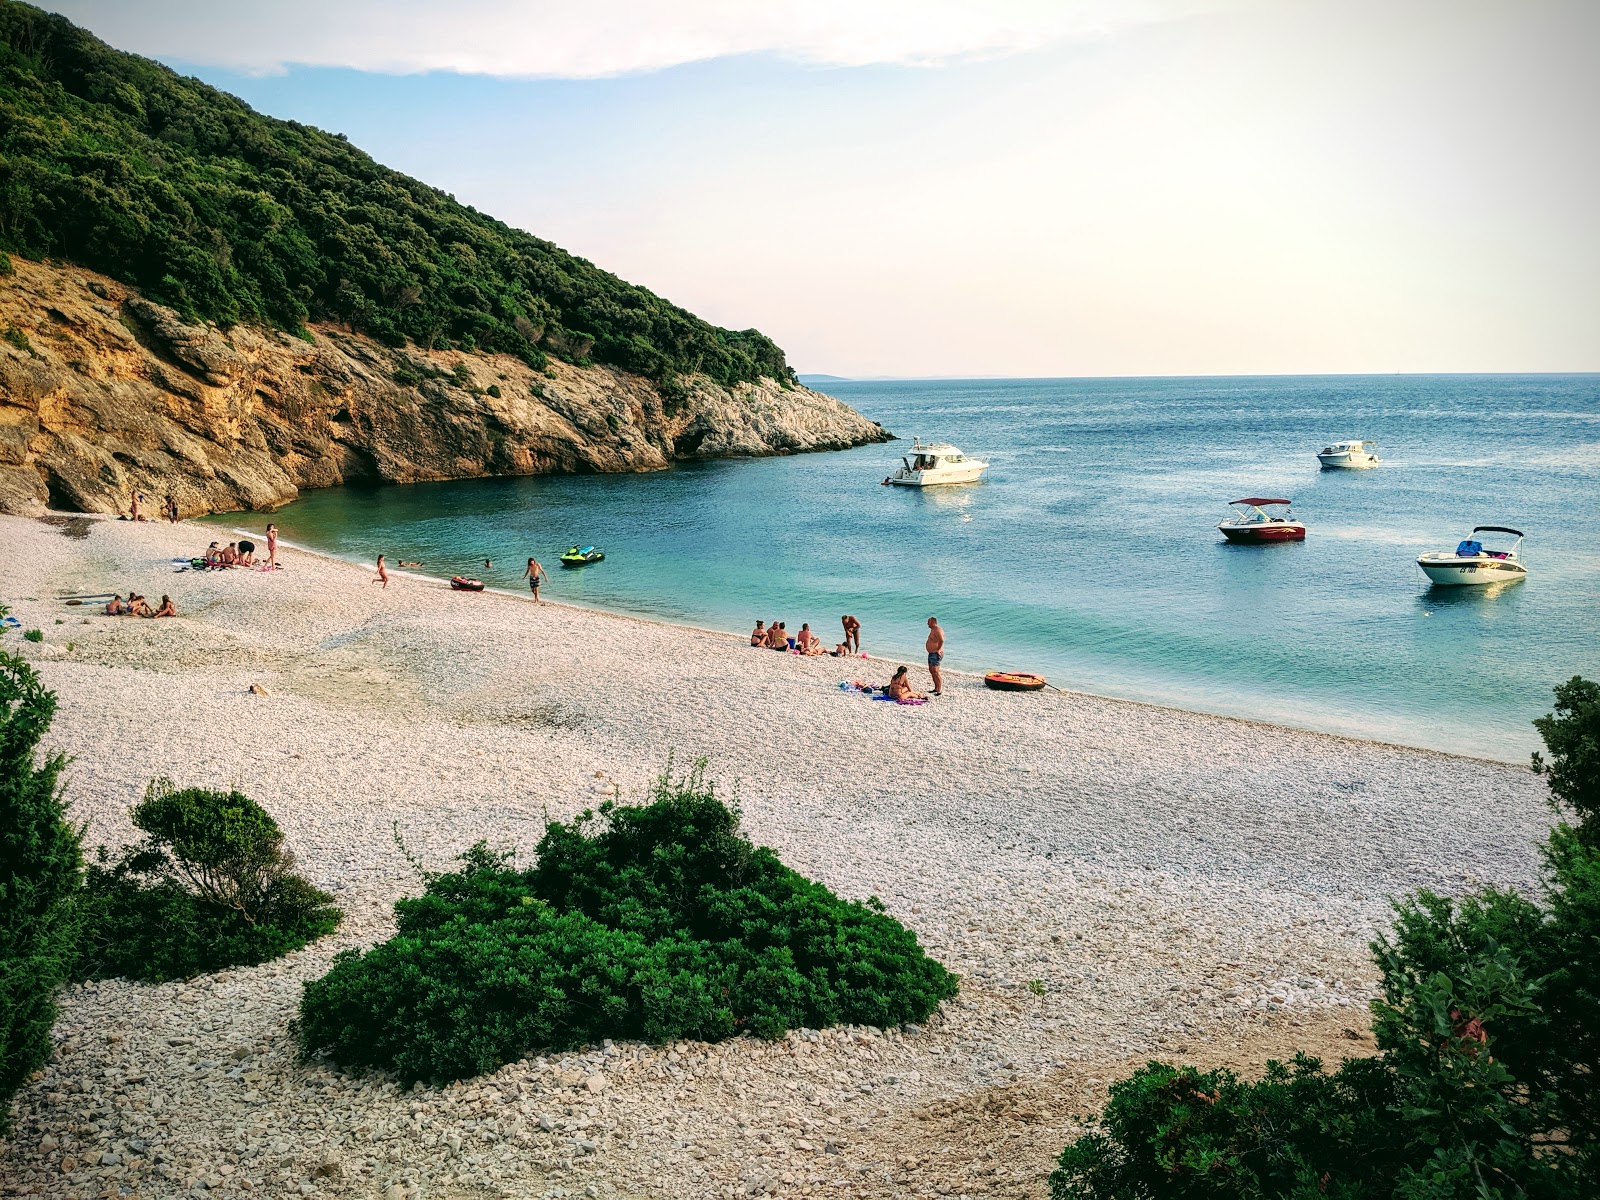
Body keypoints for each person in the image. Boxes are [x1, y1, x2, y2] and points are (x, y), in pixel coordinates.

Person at [925, 616, 945, 696]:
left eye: (928, 622)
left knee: (936, 672)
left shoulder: (938, 630)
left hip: (935, 654)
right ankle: (936, 688)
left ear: (933, 622)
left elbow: (942, 640)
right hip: (931, 653)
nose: (927, 624)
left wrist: (938, 649)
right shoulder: (933, 630)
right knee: (931, 671)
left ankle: (939, 690)